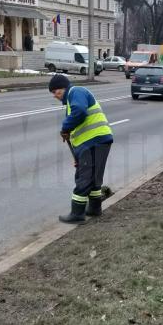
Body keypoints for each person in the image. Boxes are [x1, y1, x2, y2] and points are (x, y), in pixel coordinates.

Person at [49, 74, 113, 223]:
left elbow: (80, 112)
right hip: (99, 141)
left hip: (93, 141)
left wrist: (65, 127)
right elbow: (79, 125)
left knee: (83, 178)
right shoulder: (73, 97)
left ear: (63, 88)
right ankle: (95, 208)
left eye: (55, 92)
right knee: (94, 178)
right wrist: (78, 156)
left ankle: (77, 214)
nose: (54, 96)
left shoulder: (75, 92)